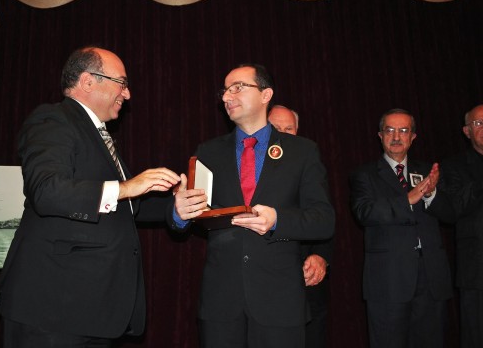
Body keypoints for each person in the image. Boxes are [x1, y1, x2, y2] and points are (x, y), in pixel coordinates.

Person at [0, 46, 180, 348]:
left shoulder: (99, 135)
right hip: (52, 309)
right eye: (122, 83)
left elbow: (120, 206)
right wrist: (126, 187)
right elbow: (47, 191)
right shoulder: (53, 119)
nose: (127, 94)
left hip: (93, 309)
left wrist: (176, 208)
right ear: (88, 81)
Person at [170, 63, 335, 348]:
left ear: (265, 94)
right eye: (224, 91)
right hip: (221, 302)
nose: (226, 97)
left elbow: (324, 220)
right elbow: (192, 214)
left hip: (279, 301)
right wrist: (179, 213)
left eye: (237, 88)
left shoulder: (302, 151)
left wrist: (277, 219)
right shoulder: (208, 151)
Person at [350, 108, 453, 348]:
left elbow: (451, 214)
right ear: (380, 135)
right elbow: (364, 213)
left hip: (431, 277)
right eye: (390, 130)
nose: (396, 136)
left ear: (413, 137)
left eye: (404, 130)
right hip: (389, 280)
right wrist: (408, 199)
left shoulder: (428, 172)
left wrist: (431, 194)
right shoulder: (364, 174)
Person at [268, 104, 333, 348]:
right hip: (261, 282)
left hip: (305, 282)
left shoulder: (309, 163)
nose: (283, 134)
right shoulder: (248, 165)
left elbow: (325, 215)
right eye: (276, 128)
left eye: (289, 129)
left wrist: (321, 256)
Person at [441, 104, 483, 348]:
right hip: (477, 271)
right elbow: (455, 208)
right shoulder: (454, 166)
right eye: (478, 123)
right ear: (467, 131)